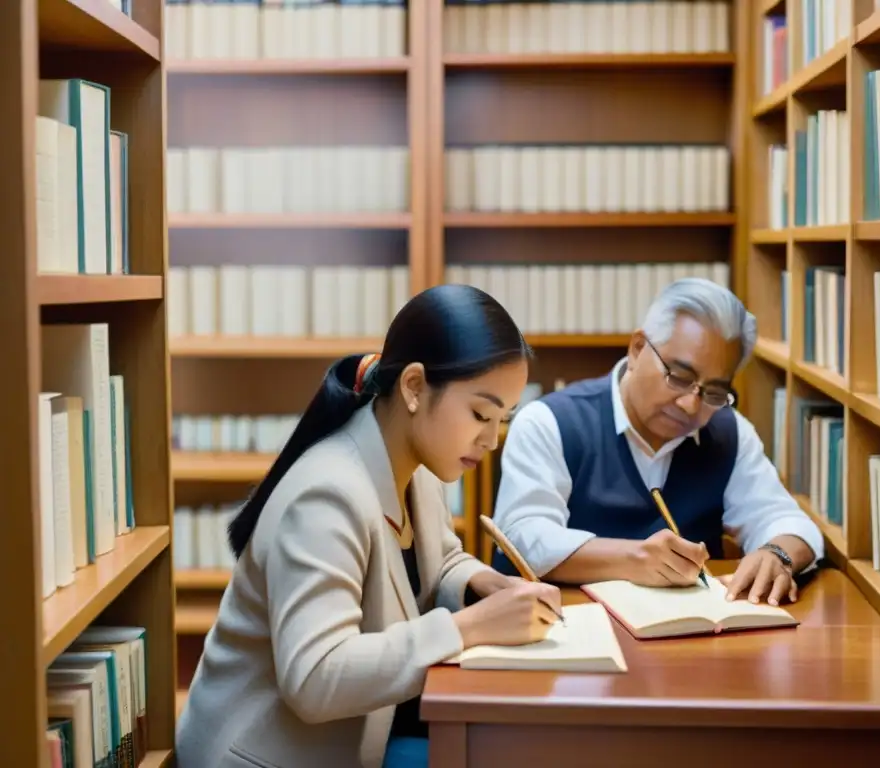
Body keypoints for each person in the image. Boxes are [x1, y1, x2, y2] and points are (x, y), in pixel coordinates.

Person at [175, 284, 562, 768]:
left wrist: (483, 583)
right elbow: (315, 678)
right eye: (481, 414)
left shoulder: (416, 465)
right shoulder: (328, 494)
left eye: (502, 419)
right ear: (415, 387)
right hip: (263, 755)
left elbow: (437, 564)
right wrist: (468, 628)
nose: (491, 439)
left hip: (355, 739)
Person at [491, 277, 824, 607]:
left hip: (689, 639)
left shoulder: (728, 432)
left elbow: (787, 521)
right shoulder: (550, 422)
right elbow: (524, 536)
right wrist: (633, 558)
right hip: (574, 632)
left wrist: (776, 553)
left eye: (714, 392)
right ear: (638, 349)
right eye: (679, 377)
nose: (690, 404)